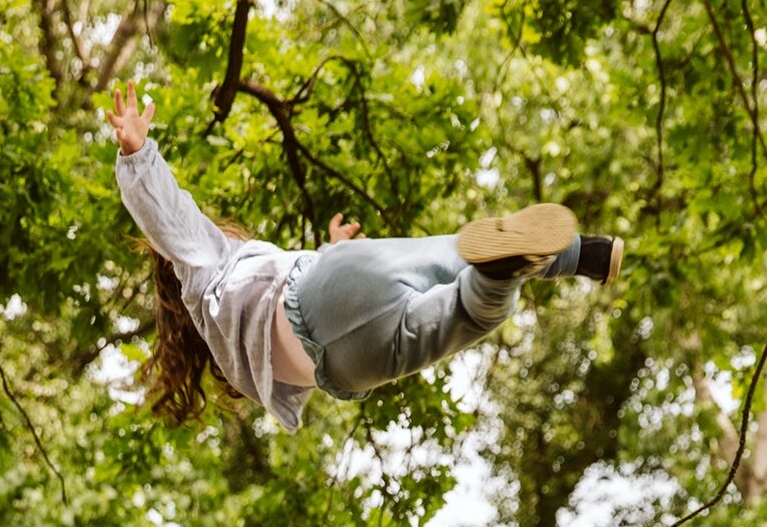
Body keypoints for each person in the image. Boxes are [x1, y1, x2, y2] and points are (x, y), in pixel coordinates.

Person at [107, 82, 623, 428]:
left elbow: (304, 308)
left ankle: (502, 274)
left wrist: (329, 252)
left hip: (349, 365)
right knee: (447, 257)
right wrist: (137, 155)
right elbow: (170, 219)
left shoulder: (232, 356)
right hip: (322, 292)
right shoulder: (204, 268)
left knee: (464, 317)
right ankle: (581, 254)